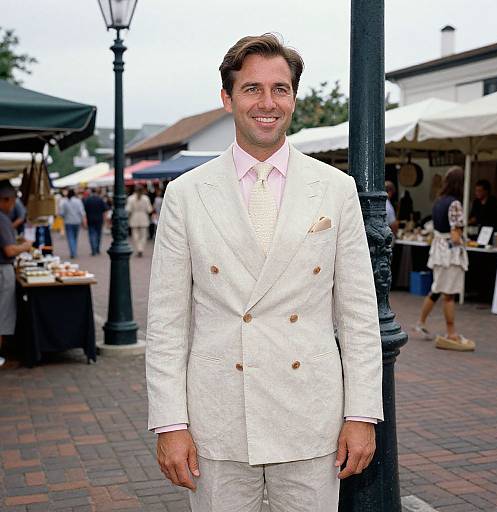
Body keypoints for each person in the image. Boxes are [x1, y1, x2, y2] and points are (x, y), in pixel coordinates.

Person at [146, 34, 383, 511]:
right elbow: (167, 323)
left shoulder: (336, 189)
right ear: (227, 98)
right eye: (252, 89)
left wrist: (361, 414)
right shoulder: (186, 194)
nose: (267, 103)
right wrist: (171, 422)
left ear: (294, 97)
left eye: (280, 89)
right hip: (218, 421)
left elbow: (358, 314)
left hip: (310, 420)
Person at [415, 166, 475, 351]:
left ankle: (421, 322)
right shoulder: (455, 204)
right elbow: (455, 236)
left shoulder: (439, 201)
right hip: (449, 253)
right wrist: (464, 240)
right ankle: (451, 332)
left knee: (437, 289)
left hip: (438, 249)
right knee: (448, 294)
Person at [0, 181, 33, 367]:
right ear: (5, 200)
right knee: (2, 314)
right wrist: (25, 246)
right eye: (11, 201)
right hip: (2, 270)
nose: (12, 205)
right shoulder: (2, 218)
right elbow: (9, 251)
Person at [126, 186, 153, 257]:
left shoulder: (131, 198)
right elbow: (149, 209)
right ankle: (141, 249)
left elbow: (128, 210)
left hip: (134, 218)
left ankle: (139, 248)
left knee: (135, 235)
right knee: (143, 236)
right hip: (143, 218)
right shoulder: (146, 198)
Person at [59, 189, 86, 259]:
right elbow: (82, 212)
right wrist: (83, 221)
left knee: (70, 238)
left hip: (68, 222)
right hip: (77, 221)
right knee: (75, 237)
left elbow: (61, 213)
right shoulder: (78, 201)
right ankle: (74, 252)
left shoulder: (65, 202)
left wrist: (65, 216)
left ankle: (73, 252)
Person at [83, 187, 107, 256]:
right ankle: (97, 249)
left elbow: (84, 211)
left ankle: (93, 249)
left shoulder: (87, 200)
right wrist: (104, 220)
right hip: (99, 220)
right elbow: (105, 210)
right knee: (98, 235)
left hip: (90, 220)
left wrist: (85, 220)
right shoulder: (100, 199)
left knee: (91, 234)